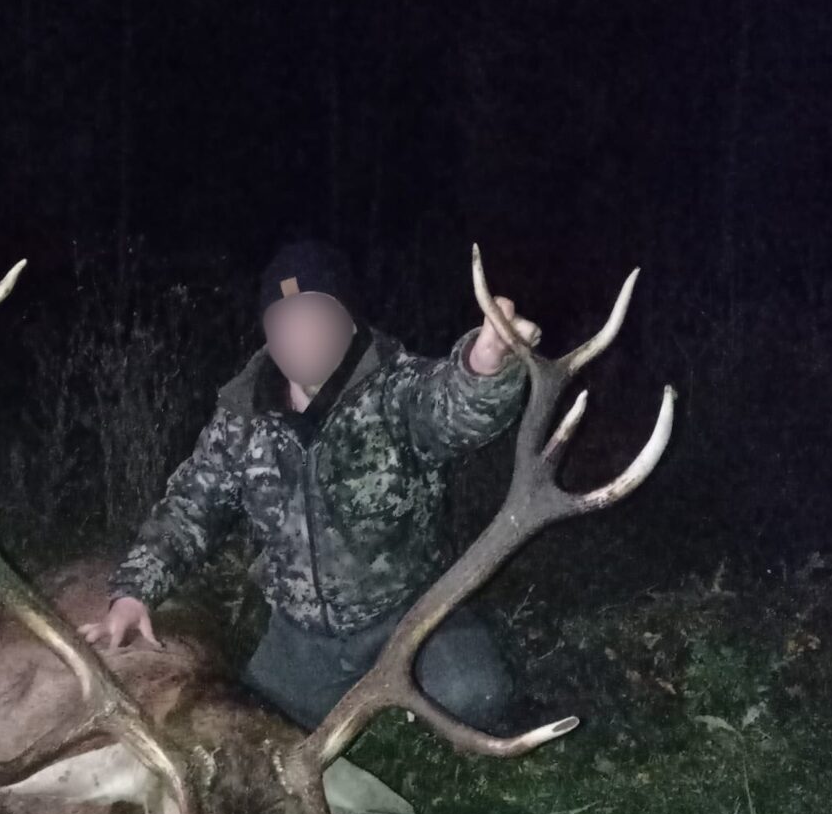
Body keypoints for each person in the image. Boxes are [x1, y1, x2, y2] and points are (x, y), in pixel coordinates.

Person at [81, 240, 539, 733]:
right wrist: (133, 593)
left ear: (349, 321)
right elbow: (189, 507)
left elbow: (453, 409)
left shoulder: (396, 390)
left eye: (314, 316)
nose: (298, 335)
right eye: (282, 322)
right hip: (302, 637)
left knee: (477, 695)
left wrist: (484, 365)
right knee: (252, 731)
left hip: (409, 614)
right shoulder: (242, 419)